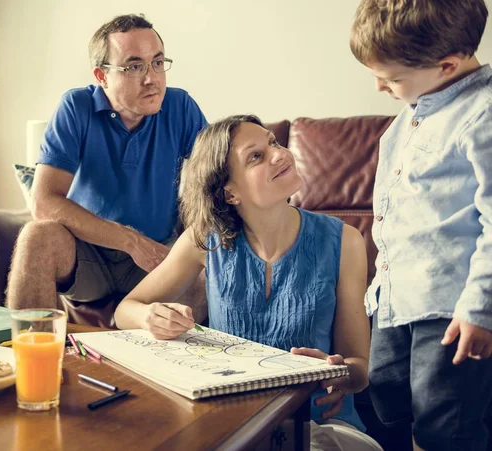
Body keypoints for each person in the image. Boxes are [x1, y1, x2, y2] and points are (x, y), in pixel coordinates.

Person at [114, 115, 380, 449]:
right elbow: (126, 310)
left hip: (321, 428)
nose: (279, 154)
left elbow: (359, 367)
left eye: (273, 143)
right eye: (256, 156)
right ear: (229, 193)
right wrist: (150, 317)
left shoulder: (346, 241)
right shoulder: (205, 240)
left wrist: (338, 373)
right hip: (236, 427)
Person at [350, 1, 492, 449]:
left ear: (447, 64)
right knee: (384, 404)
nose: (378, 87)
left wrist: (480, 309)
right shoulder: (411, 112)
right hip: (395, 300)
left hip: (450, 308)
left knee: (444, 424)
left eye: (391, 78)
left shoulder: (482, 114)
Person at [6, 14, 207, 321]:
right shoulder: (76, 107)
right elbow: (44, 202)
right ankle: (35, 361)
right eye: (134, 66)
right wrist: (131, 241)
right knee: (36, 236)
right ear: (102, 76)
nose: (151, 78)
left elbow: (218, 177)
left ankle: (182, 365)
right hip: (88, 256)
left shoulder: (180, 106)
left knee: (210, 261)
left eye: (157, 62)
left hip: (155, 260)